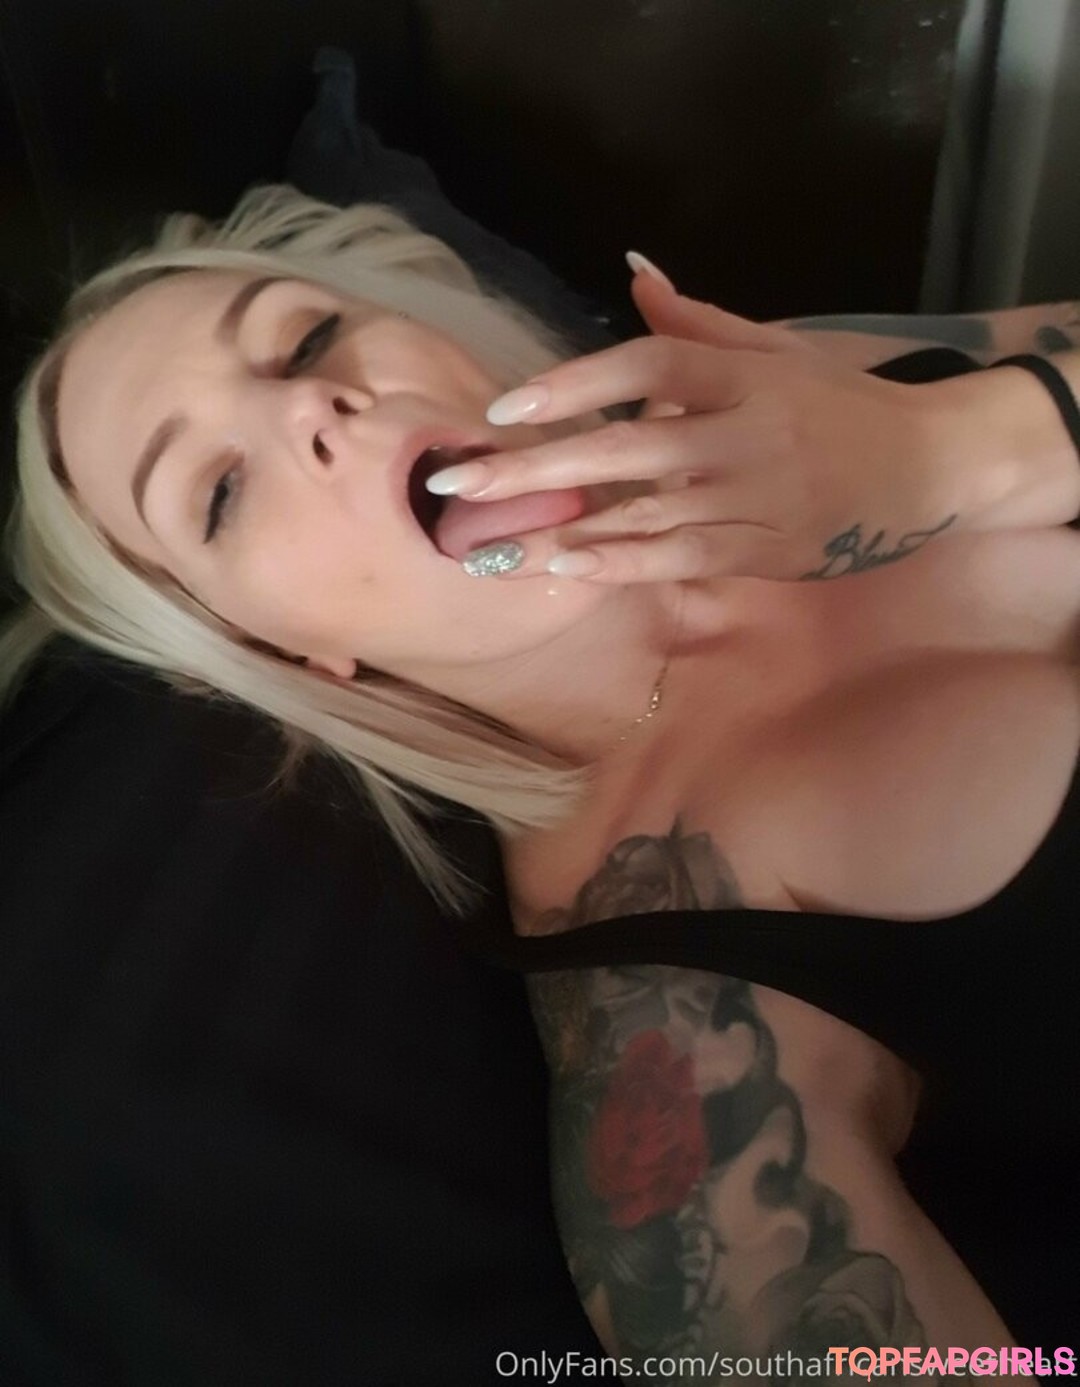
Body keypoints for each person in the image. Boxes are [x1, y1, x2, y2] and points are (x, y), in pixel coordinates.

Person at [2, 185, 1078, 1374]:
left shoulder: (759, 395)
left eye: (306, 338)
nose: (314, 403)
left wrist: (950, 447)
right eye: (219, 492)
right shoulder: (676, 1026)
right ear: (274, 650)